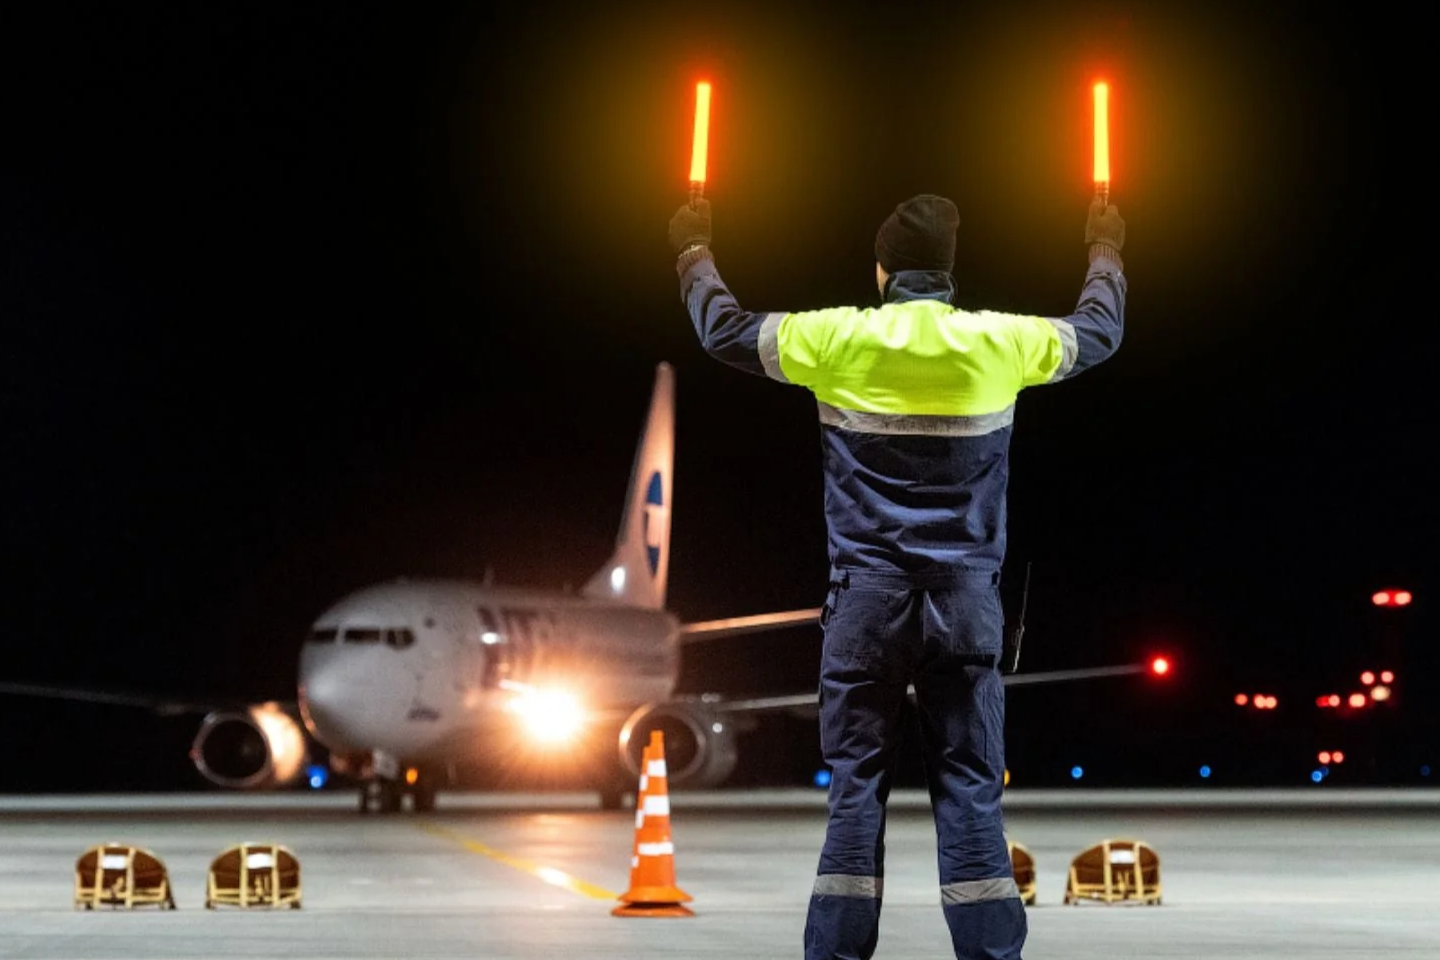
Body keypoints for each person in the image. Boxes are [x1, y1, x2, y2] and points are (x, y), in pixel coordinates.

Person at [668, 191, 1125, 960]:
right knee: (972, 798)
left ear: (882, 273)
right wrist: (1104, 247)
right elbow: (1099, 333)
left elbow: (723, 329)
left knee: (855, 798)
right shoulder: (1000, 343)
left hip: (865, 606)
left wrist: (692, 250)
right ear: (947, 275)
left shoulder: (837, 339)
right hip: (967, 607)